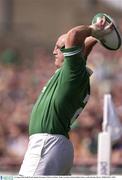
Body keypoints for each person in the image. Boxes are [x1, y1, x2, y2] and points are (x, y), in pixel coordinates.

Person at [19, 17, 112, 176]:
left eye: (59, 47)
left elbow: (73, 35)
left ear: (70, 50)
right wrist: (97, 36)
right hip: (55, 144)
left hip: (46, 143)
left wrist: (93, 29)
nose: (54, 51)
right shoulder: (73, 71)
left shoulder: (73, 71)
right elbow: (83, 48)